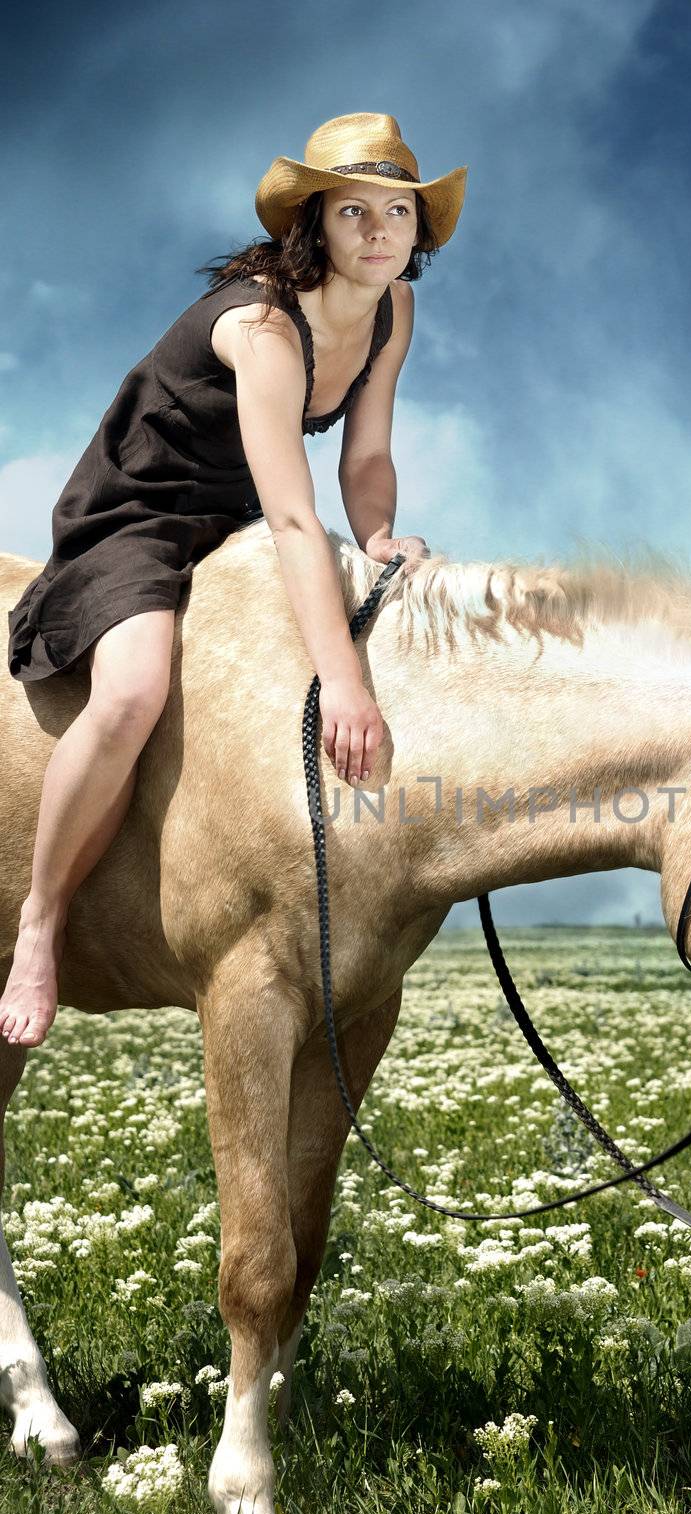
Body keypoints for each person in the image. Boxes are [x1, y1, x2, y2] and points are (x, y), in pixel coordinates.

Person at [1, 112, 467, 1049]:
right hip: (137, 514)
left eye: (397, 213)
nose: (378, 232)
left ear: (418, 230)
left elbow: (364, 459)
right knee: (133, 690)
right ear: (314, 224)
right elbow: (294, 518)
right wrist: (344, 683)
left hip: (233, 519)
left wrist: (378, 538)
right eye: (353, 212)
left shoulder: (393, 310)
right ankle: (40, 925)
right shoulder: (262, 325)